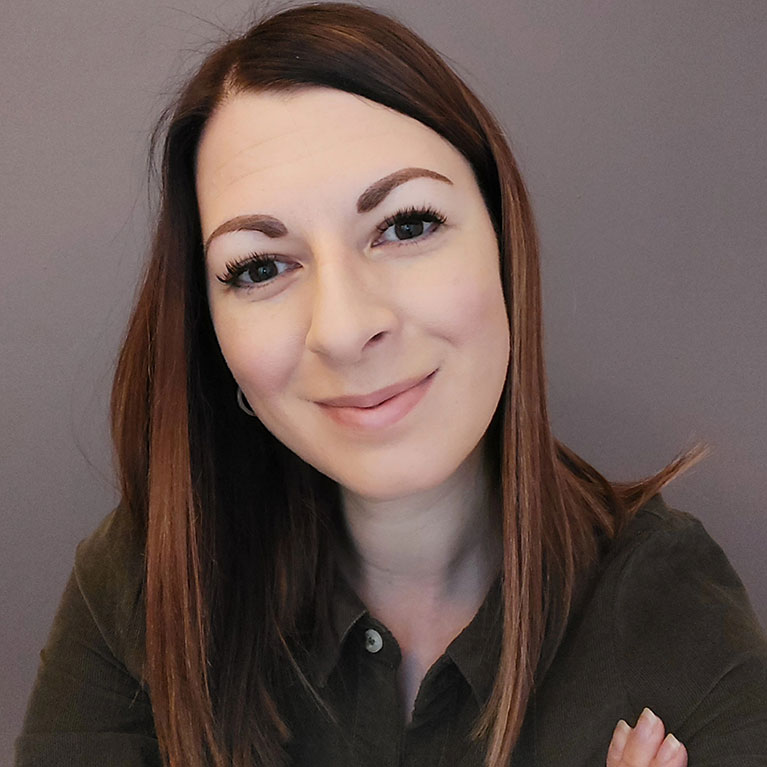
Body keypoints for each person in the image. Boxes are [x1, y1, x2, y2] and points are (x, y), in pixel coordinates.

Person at [14, 3, 767, 766]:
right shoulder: (145, 584)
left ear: (505, 247)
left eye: (405, 226)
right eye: (260, 267)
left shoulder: (672, 613)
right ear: (212, 337)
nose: (343, 328)